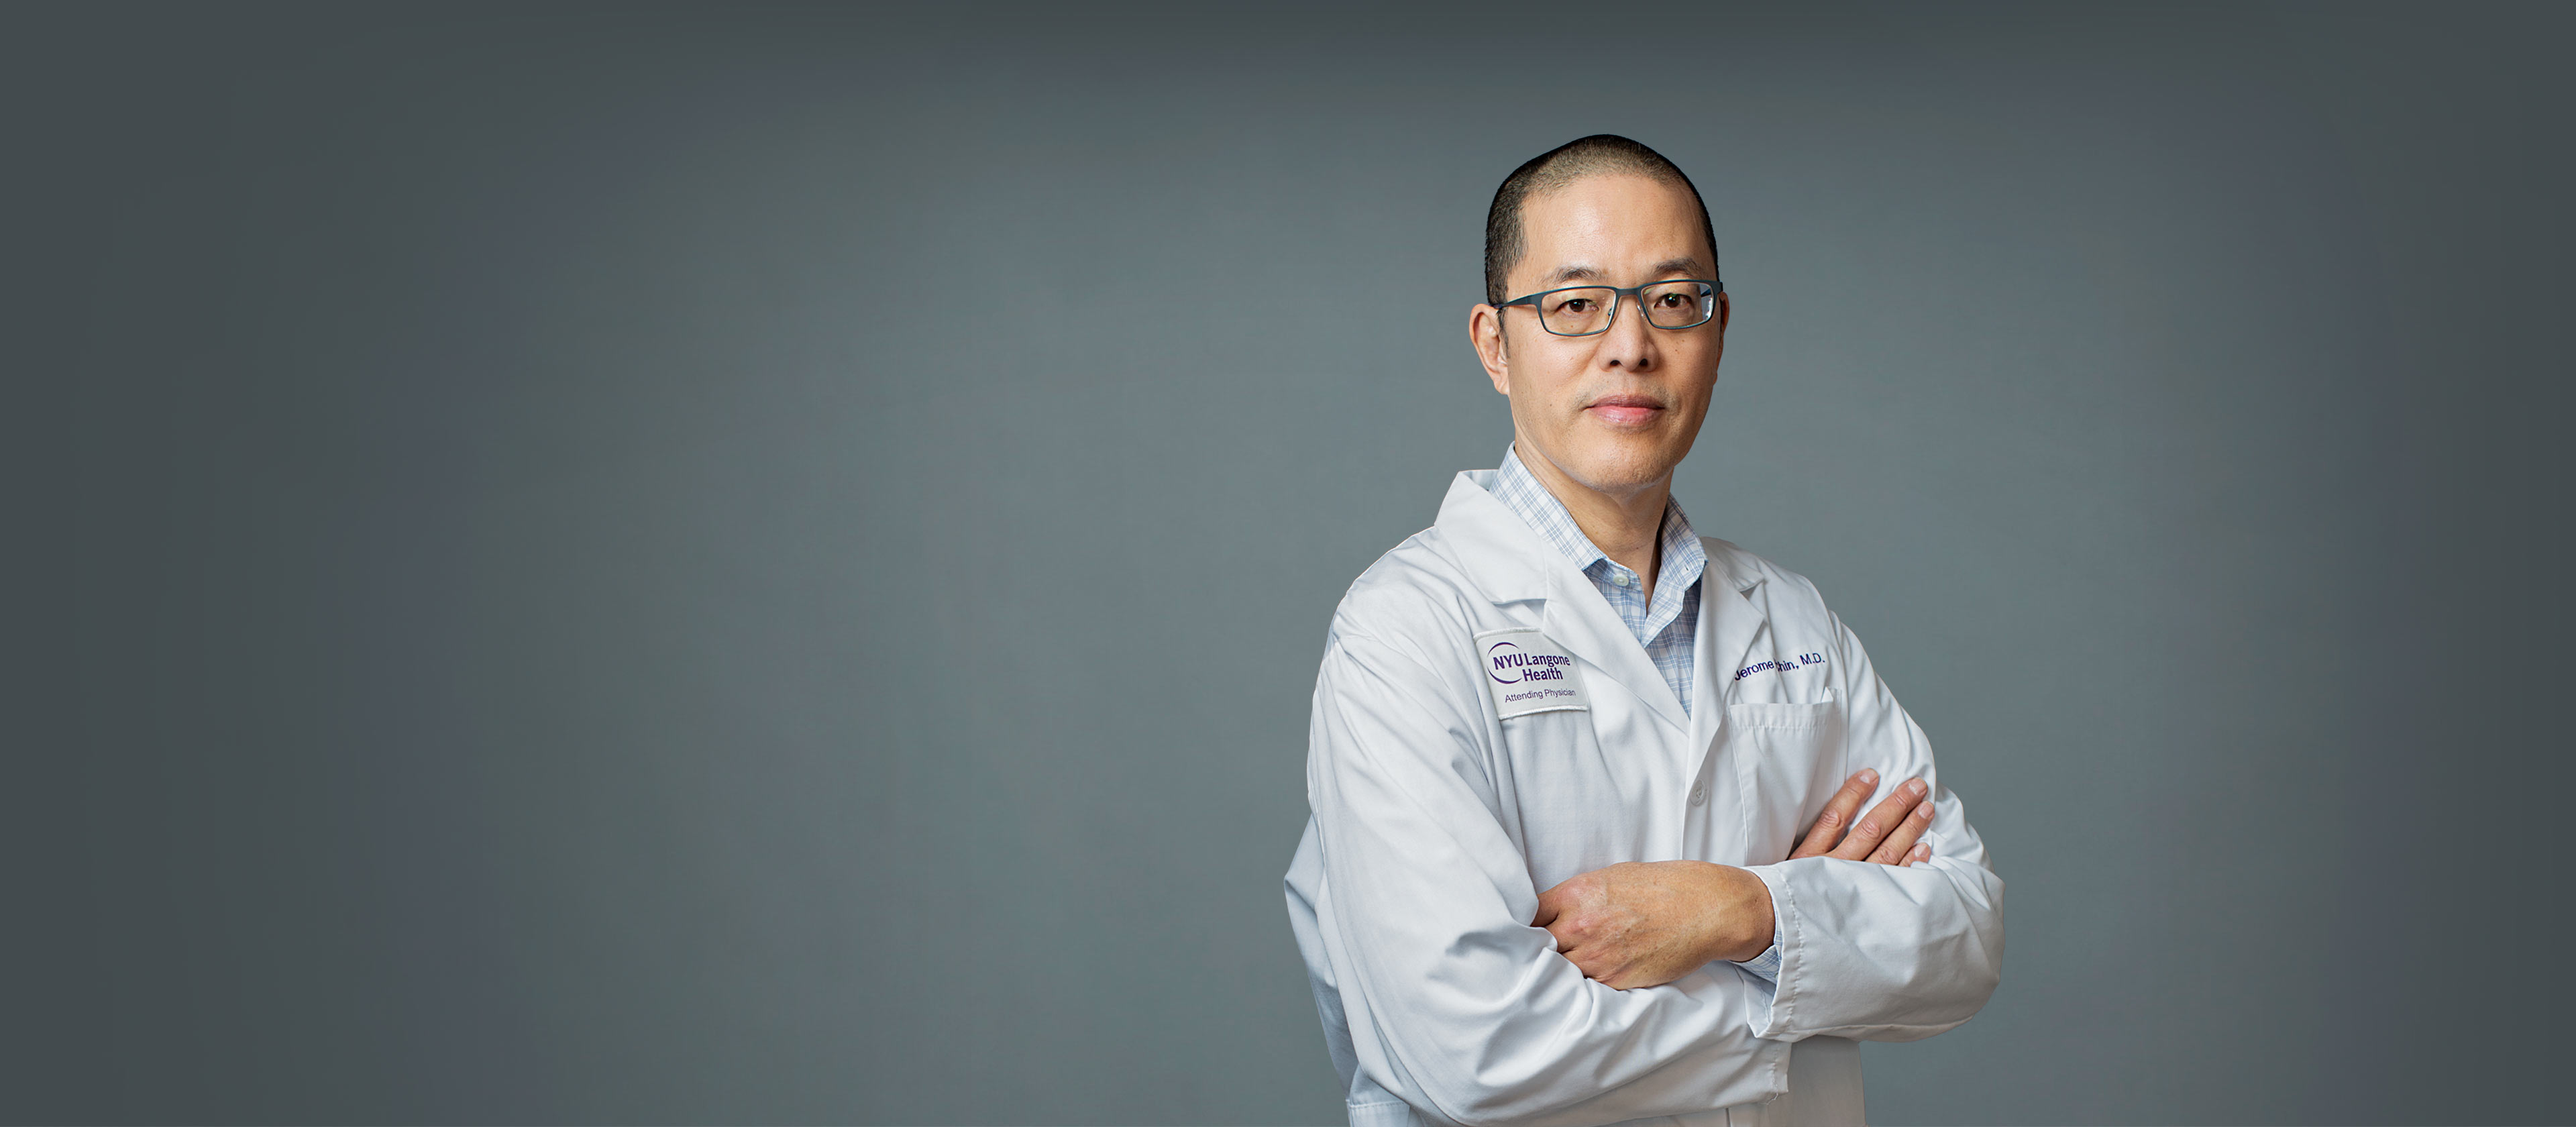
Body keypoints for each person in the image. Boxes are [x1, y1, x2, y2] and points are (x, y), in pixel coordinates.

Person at [1282, 135, 2004, 1127]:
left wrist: (1738, 909)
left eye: (1672, 300)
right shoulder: (1405, 633)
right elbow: (1475, 1045)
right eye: (1576, 305)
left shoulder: (1794, 620)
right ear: (1495, 345)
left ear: (1719, 329)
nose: (1631, 345)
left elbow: (1966, 937)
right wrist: (1802, 972)